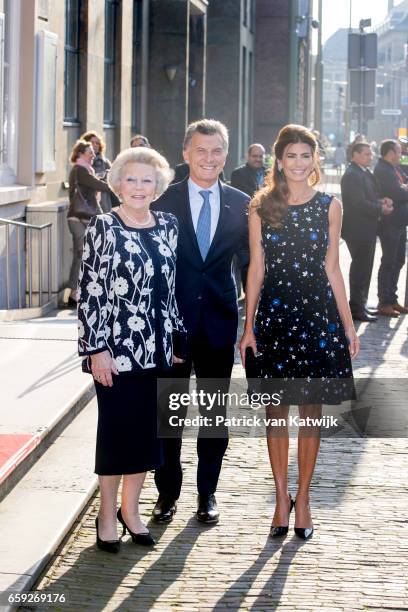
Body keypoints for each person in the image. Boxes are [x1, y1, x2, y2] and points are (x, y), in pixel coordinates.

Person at [240, 124, 359, 541]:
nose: (297, 163)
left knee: (310, 413)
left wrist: (347, 324)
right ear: (279, 159)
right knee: (276, 414)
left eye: (305, 156)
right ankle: (279, 498)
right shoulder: (260, 206)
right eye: (290, 155)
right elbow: (256, 268)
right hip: (274, 318)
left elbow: (332, 269)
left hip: (318, 318)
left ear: (315, 160)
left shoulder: (330, 205)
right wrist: (248, 325)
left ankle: (303, 498)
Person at [77, 146, 187, 553]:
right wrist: (96, 348)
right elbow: (91, 291)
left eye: (146, 180)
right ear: (118, 183)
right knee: (116, 434)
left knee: (146, 437)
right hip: (116, 351)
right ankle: (106, 515)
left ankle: (131, 510)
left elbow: (169, 288)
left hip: (157, 348)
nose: (139, 187)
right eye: (131, 179)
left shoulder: (169, 225)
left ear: (157, 185)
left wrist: (176, 339)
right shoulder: (104, 226)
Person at [151, 119, 249, 525]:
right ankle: (166, 494)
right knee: (168, 414)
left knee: (213, 414)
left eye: (216, 151)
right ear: (186, 153)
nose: (209, 159)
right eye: (201, 150)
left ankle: (207, 494)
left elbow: (251, 265)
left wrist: (254, 322)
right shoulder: (162, 201)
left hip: (219, 323)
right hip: (171, 328)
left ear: (226, 155)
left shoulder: (244, 203)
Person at [341, 142, 393, 322]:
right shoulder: (352, 174)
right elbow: (358, 203)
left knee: (365, 268)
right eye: (366, 154)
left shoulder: (363, 171)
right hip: (358, 230)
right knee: (360, 269)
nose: (370, 157)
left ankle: (360, 304)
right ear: (354, 154)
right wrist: (380, 209)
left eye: (371, 154)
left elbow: (369, 196)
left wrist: (380, 201)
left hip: (367, 228)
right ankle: (355, 307)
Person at [66, 140, 113, 306]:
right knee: (81, 253)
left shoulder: (86, 170)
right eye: (89, 152)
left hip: (85, 217)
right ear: (80, 153)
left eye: (93, 152)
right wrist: (118, 185)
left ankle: (83, 291)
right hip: (78, 218)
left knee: (91, 254)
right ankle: (73, 294)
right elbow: (97, 185)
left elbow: (93, 185)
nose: (93, 154)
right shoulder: (80, 170)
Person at [374, 139, 408, 316]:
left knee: (399, 261)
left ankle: (392, 299)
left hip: (400, 222)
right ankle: (384, 302)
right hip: (390, 222)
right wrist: (403, 190)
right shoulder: (383, 169)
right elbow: (396, 192)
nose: (401, 154)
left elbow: (402, 187)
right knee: (388, 262)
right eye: (399, 151)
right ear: (391, 152)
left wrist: (403, 189)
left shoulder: (393, 168)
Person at [81, 130, 117, 213]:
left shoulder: (105, 162)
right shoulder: (81, 163)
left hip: (104, 202)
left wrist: (106, 175)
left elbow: (114, 180)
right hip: (87, 204)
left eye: (97, 143)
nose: (95, 145)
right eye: (92, 143)